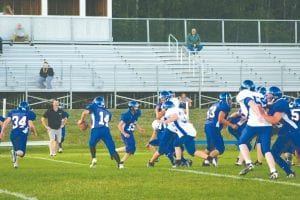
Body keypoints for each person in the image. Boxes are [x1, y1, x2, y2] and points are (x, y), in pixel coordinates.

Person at [236, 80, 278, 179]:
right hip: (266, 125)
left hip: (254, 123)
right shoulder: (259, 94)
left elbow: (251, 103)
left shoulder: (244, 93)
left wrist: (259, 115)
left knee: (241, 142)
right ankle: (274, 172)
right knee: (266, 149)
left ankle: (249, 163)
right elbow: (265, 105)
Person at [260, 87, 300, 178]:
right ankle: (289, 172)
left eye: (269, 95)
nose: (267, 97)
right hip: (286, 133)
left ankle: (289, 172)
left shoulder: (281, 103)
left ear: (275, 96)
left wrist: (262, 114)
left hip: (293, 132)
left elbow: (274, 120)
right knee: (273, 153)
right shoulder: (277, 103)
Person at [78, 97, 122, 168]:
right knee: (112, 148)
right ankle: (119, 164)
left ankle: (94, 159)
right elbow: (101, 122)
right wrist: (89, 125)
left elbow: (84, 112)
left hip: (96, 130)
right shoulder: (108, 112)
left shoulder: (94, 106)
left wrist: (81, 120)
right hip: (106, 130)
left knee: (92, 144)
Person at [203, 92, 238, 167]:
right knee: (220, 148)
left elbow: (218, 118)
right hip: (213, 127)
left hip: (207, 125)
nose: (230, 101)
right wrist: (232, 125)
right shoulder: (224, 105)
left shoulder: (215, 104)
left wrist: (225, 122)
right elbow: (220, 119)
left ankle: (206, 161)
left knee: (210, 146)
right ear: (225, 99)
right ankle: (209, 159)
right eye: (229, 99)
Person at [0, 102, 37, 168]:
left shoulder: (13, 112)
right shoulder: (28, 113)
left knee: (16, 149)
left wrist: (2, 131)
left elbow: (6, 122)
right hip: (22, 134)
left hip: (13, 134)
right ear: (27, 107)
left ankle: (15, 164)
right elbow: (31, 125)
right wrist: (34, 132)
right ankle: (15, 154)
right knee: (21, 153)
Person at [116, 101, 145, 168]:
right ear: (131, 108)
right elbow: (119, 126)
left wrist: (139, 128)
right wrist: (124, 133)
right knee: (130, 148)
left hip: (130, 132)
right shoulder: (126, 115)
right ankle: (116, 153)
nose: (137, 108)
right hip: (125, 132)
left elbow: (134, 122)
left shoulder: (136, 113)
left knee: (132, 149)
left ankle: (120, 161)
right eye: (135, 107)